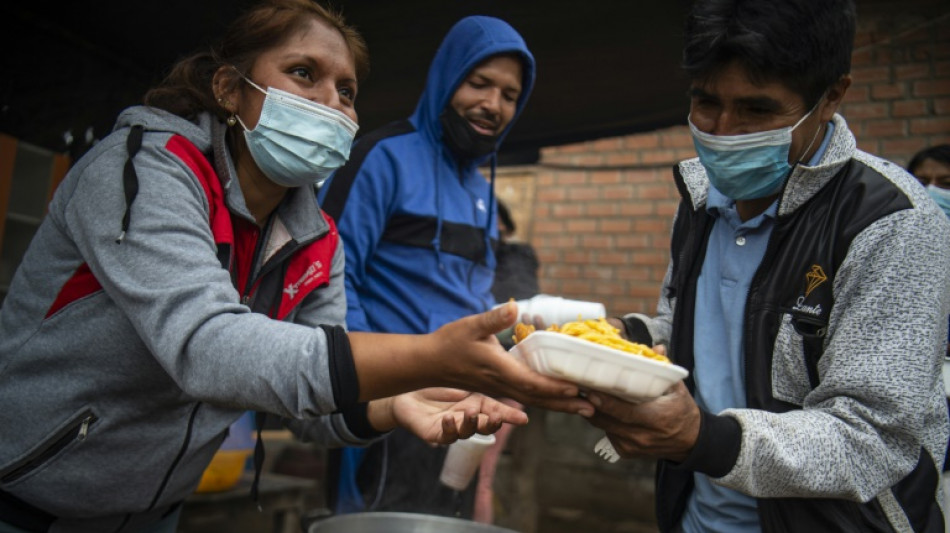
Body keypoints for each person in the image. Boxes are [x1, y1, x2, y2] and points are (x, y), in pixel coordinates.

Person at [0, 2, 594, 532]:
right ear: (229, 89)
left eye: (347, 90)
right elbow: (208, 346)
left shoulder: (318, 241)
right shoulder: (146, 171)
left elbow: (309, 407)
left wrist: (394, 405)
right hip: (25, 498)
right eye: (304, 73)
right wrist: (426, 356)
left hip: (155, 512)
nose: (330, 101)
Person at [584, 1, 950, 532]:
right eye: (706, 102)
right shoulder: (701, 201)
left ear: (831, 97)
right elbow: (693, 332)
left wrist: (705, 439)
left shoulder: (891, 222)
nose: (724, 132)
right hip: (698, 518)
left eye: (756, 111)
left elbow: (873, 436)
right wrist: (618, 339)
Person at [318, 15, 534, 519]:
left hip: (464, 406)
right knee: (374, 523)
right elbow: (331, 277)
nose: (493, 104)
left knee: (449, 520)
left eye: (509, 95)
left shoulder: (482, 192)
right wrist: (368, 383)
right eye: (479, 83)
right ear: (446, 77)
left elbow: (473, 295)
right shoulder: (381, 157)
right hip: (385, 400)